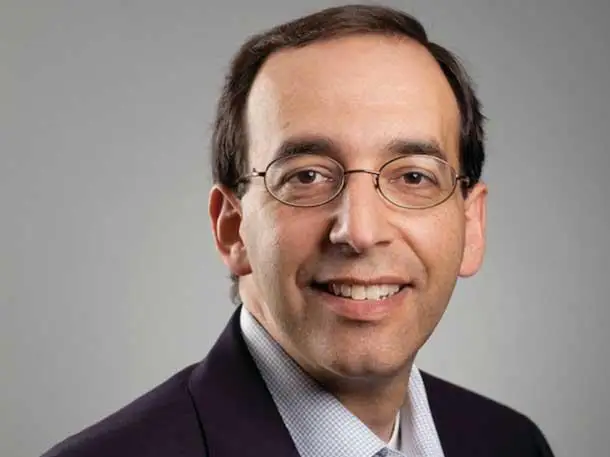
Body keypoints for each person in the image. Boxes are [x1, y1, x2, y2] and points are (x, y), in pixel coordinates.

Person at [42, 4, 555, 456]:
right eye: (307, 176)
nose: (360, 231)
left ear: (471, 225)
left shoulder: (510, 443)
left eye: (413, 177)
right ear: (232, 229)